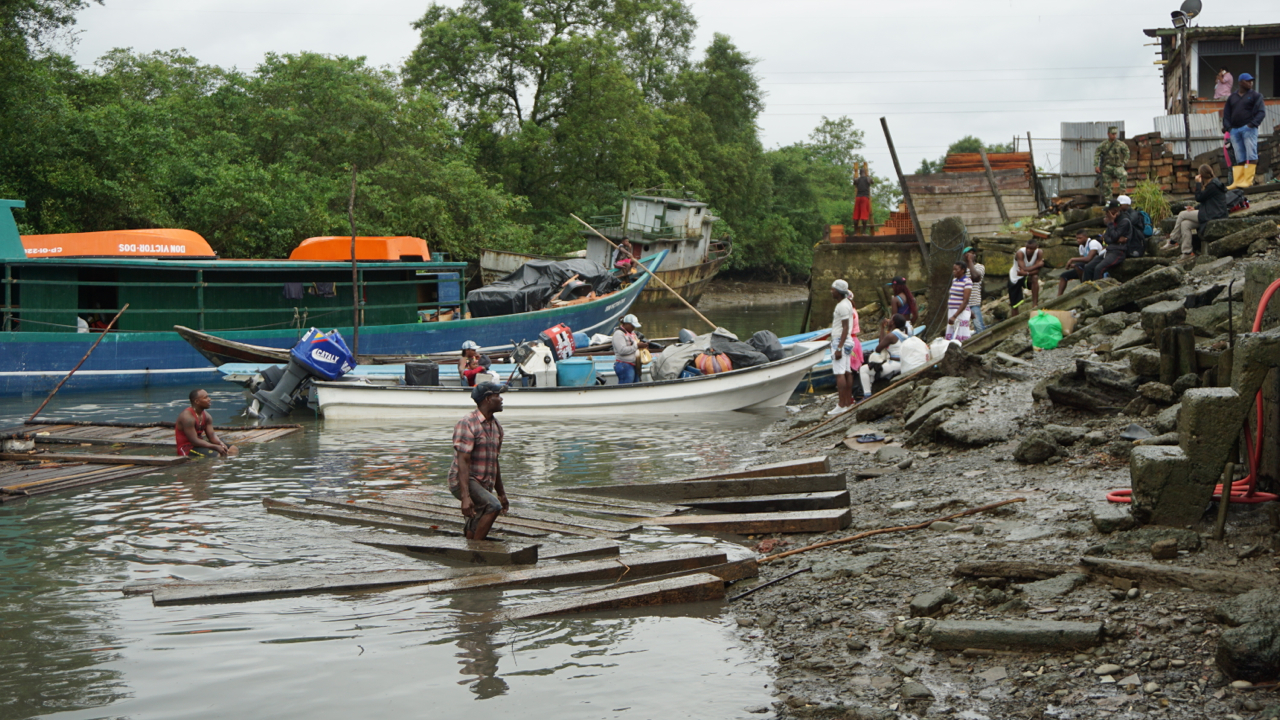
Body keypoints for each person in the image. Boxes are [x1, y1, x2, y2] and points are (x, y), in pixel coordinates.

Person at [449, 381, 509, 541]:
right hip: (465, 480)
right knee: (492, 506)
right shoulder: (467, 423)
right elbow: (463, 461)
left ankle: (470, 546)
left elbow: (494, 461)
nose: (501, 399)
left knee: (476, 516)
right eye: (497, 395)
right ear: (488, 399)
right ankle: (478, 547)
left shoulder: (496, 427)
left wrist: (501, 493)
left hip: (484, 482)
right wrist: (466, 497)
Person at [1165, 164, 1229, 258]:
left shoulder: (1213, 186)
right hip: (1212, 212)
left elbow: (1199, 198)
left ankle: (1173, 240)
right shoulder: (1214, 183)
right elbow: (1207, 201)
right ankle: (1187, 252)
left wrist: (1198, 184)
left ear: (1201, 175)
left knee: (1182, 214)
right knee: (1185, 224)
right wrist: (1195, 208)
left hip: (1214, 214)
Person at [1224, 73, 1266, 190]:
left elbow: (1261, 112)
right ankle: (1238, 181)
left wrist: (1251, 124)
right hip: (1234, 130)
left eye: (1251, 81)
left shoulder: (1255, 96)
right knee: (1239, 156)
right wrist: (1229, 128)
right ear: (1240, 82)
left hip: (1248, 129)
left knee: (1251, 153)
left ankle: (1248, 181)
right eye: (1247, 81)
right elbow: (1226, 114)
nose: (1250, 83)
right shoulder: (1232, 97)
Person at [828, 279, 862, 415]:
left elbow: (845, 327)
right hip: (848, 340)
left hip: (840, 341)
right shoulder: (848, 303)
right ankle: (848, 402)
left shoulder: (841, 306)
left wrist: (839, 348)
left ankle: (841, 405)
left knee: (839, 373)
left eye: (833, 289)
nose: (831, 291)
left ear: (839, 292)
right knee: (847, 371)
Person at [859, 315, 908, 398]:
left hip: (895, 365)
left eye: (891, 319)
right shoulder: (903, 333)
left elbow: (878, 348)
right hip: (903, 363)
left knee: (863, 369)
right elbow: (884, 342)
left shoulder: (892, 336)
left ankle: (867, 395)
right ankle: (871, 389)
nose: (888, 320)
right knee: (873, 368)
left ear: (893, 322)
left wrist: (882, 328)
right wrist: (887, 329)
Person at [175, 389, 235, 457]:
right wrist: (215, 447)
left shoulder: (207, 416)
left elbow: (211, 436)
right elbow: (194, 441)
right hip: (188, 448)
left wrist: (220, 443)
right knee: (217, 455)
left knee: (233, 449)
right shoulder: (187, 417)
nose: (209, 399)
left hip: (200, 445)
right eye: (205, 397)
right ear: (197, 401)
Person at [1083, 200, 1130, 281]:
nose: (1106, 214)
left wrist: (1111, 223)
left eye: (1108, 211)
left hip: (1119, 251)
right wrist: (1115, 239)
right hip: (1109, 250)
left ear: (1115, 211)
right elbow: (1107, 239)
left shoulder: (1124, 221)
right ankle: (1086, 289)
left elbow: (1114, 236)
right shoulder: (1111, 222)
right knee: (1088, 267)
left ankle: (1099, 291)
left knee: (1099, 268)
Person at [1057, 230, 1104, 296]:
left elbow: (1088, 259)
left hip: (1095, 267)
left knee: (1078, 266)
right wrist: (1072, 265)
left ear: (1086, 237)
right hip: (1085, 267)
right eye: (1077, 238)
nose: (1078, 240)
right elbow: (1082, 261)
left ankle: (1084, 285)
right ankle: (1059, 297)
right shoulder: (1081, 247)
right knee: (1063, 276)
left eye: (1080, 238)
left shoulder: (1093, 243)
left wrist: (1072, 259)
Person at [1094, 127, 1130, 204]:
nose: (1114, 136)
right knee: (1106, 183)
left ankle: (1122, 197)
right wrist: (1096, 166)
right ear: (1108, 134)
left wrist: (1123, 162)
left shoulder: (1120, 144)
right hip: (1107, 167)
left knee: (1124, 175)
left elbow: (1127, 152)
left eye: (1115, 134)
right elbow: (1097, 154)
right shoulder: (1103, 145)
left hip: (1117, 166)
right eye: (1112, 134)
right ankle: (1108, 201)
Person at [1007, 238, 1043, 314]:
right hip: (1015, 277)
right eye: (1027, 248)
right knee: (1014, 305)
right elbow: (1023, 268)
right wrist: (1038, 265)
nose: (1029, 250)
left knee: (1035, 277)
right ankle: (1014, 322)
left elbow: (1037, 271)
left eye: (1031, 248)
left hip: (1026, 276)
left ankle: (1035, 305)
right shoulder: (1020, 253)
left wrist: (1026, 273)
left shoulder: (1039, 252)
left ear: (1036, 247)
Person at [611, 313, 646, 384]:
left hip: (634, 364)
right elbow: (622, 350)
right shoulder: (618, 334)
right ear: (626, 324)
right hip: (624, 365)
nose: (634, 328)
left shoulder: (631, 333)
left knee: (635, 387)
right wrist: (637, 346)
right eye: (632, 326)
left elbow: (634, 345)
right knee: (626, 388)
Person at [945, 261, 974, 343]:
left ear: (963, 270)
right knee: (951, 332)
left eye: (956, 269)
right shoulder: (954, 280)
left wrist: (955, 316)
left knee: (961, 332)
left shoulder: (967, 281)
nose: (954, 271)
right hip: (951, 310)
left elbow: (965, 301)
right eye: (953, 269)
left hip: (959, 312)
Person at [962, 247, 986, 332]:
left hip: (974, 302)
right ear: (964, 256)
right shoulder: (961, 270)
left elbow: (976, 277)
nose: (971, 255)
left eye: (973, 253)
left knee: (979, 326)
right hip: (962, 304)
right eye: (969, 253)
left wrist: (970, 262)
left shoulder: (980, 267)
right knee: (962, 329)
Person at [852, 163, 875, 236]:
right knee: (864, 215)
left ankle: (855, 232)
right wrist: (868, 176)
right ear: (865, 172)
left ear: (859, 173)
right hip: (865, 198)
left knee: (856, 215)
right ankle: (864, 232)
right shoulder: (868, 178)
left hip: (858, 197)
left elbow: (854, 183)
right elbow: (872, 182)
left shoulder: (857, 179)